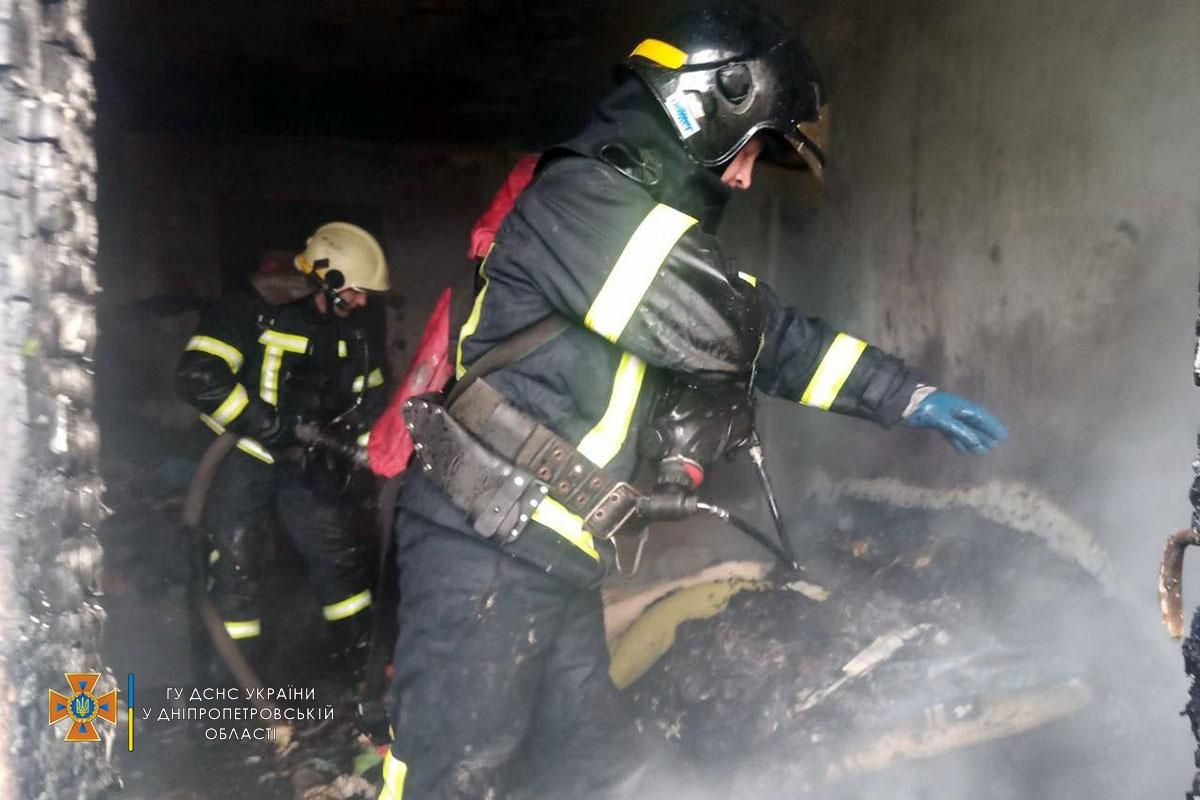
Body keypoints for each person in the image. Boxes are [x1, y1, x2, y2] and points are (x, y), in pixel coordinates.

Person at [379, 6, 1007, 799]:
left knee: (592, 768)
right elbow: (738, 332)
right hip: (488, 548)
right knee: (451, 769)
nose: (743, 177)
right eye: (751, 149)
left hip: (544, 549)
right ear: (715, 99)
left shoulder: (634, 220)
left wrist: (900, 394)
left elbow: (721, 335)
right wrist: (896, 394)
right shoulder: (589, 199)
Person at [176, 221, 391, 684]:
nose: (361, 302)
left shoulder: (351, 333)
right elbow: (198, 376)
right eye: (355, 290)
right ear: (328, 278)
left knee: (340, 561)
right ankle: (232, 697)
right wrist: (269, 424)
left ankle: (364, 680)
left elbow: (369, 398)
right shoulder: (248, 310)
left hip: (308, 464)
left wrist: (364, 445)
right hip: (242, 457)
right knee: (236, 565)